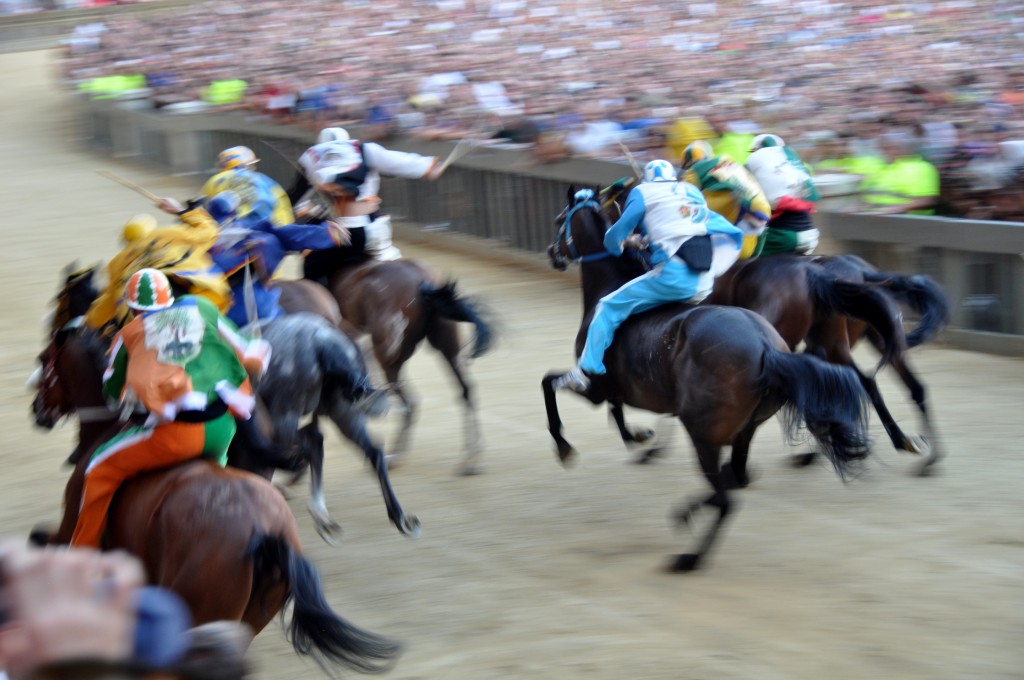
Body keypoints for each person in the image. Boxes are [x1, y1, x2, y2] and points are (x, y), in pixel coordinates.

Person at [71, 269, 271, 550]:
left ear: (132, 307)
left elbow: (113, 395)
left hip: (176, 438)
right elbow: (250, 352)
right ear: (169, 296)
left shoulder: (129, 334)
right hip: (222, 429)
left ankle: (82, 553)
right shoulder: (203, 307)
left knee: (97, 468)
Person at [555, 160, 744, 392]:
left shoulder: (641, 192)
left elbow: (613, 239)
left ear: (647, 178)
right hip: (706, 282)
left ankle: (585, 371)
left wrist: (628, 240)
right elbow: (684, 224)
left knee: (607, 306)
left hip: (674, 280)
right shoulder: (691, 191)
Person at [289, 126, 444, 284]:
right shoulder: (365, 150)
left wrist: (308, 210)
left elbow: (295, 201)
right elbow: (400, 162)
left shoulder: (312, 157)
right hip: (378, 231)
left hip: (345, 232)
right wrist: (429, 167)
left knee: (310, 269)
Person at [84, 199, 230, 333]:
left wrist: (87, 323)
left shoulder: (117, 263)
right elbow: (209, 232)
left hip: (139, 317)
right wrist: (180, 210)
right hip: (202, 290)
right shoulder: (168, 233)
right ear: (152, 229)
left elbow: (106, 306)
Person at [206, 191, 344, 327]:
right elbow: (286, 233)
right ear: (234, 211)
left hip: (221, 303)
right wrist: (325, 234)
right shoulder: (248, 225)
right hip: (259, 300)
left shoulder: (199, 234)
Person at [680, 140, 772, 259]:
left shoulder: (694, 171)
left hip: (736, 209)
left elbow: (683, 200)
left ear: (689, 163)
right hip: (761, 210)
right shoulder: (731, 162)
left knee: (690, 214)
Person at [744, 133, 822, 255]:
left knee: (743, 252)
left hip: (786, 237)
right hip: (811, 235)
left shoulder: (758, 169)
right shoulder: (797, 167)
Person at [199, 146, 295, 228]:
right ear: (244, 164)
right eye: (252, 165)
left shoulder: (213, 181)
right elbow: (278, 203)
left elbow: (201, 208)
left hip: (226, 232)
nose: (253, 168)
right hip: (268, 230)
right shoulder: (262, 179)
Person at [858, 133, 941, 215]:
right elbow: (866, 196)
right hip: (874, 217)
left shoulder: (921, 168)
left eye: (889, 148)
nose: (883, 152)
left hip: (905, 220)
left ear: (905, 149)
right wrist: (858, 206)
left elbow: (927, 200)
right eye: (882, 149)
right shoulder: (878, 168)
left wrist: (901, 208)